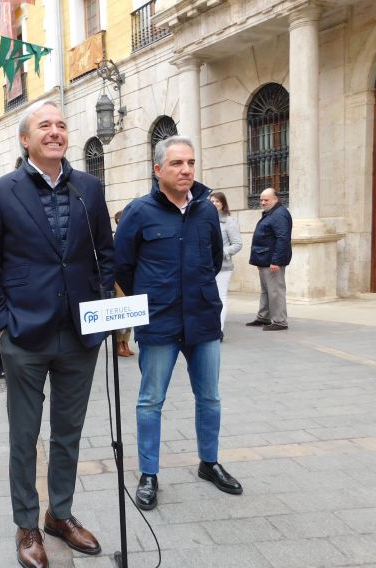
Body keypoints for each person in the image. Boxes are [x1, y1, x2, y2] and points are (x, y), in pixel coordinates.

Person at [0, 100, 113, 568]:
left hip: (79, 334)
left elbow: (104, 253)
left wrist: (102, 309)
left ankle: (61, 514)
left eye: (60, 125)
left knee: (68, 432)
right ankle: (26, 523)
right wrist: (1, 321)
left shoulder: (89, 188)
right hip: (25, 334)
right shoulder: (0, 192)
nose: (55, 132)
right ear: (26, 139)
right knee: (24, 435)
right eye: (44, 126)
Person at [114, 135, 242, 512]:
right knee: (151, 400)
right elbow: (122, 265)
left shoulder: (206, 210)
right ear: (158, 170)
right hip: (160, 321)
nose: (185, 170)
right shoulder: (139, 211)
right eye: (176, 164)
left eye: (190, 163)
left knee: (210, 397)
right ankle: (149, 474)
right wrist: (150, 297)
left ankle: (209, 462)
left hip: (202, 318)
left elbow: (216, 259)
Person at [246, 188, 292, 331]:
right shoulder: (272, 213)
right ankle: (264, 317)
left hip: (272, 261)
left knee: (275, 291)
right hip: (264, 259)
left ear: (276, 199)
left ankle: (280, 322)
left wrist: (276, 261)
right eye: (261, 200)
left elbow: (283, 238)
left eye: (266, 199)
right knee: (266, 290)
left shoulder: (279, 214)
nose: (263, 202)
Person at [209, 192, 243, 332]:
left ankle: (219, 329)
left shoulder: (229, 221)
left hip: (223, 266)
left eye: (217, 201)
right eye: (211, 201)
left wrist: (221, 252)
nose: (214, 204)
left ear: (223, 204)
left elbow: (237, 244)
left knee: (220, 296)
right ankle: (210, 326)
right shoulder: (205, 220)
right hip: (207, 265)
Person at [113, 209, 134, 357]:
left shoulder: (133, 236)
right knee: (121, 311)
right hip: (117, 278)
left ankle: (126, 342)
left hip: (131, 277)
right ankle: (118, 343)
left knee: (131, 312)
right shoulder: (114, 237)